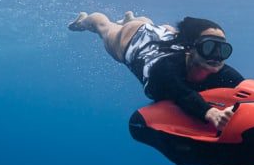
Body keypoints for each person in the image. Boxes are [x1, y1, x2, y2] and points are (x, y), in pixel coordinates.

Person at [68, 11, 244, 132]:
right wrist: (210, 112)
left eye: (222, 50)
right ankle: (84, 21)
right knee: (104, 27)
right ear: (190, 48)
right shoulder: (165, 69)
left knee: (154, 27)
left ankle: (133, 18)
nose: (216, 56)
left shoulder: (209, 62)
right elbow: (179, 92)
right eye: (209, 47)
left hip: (161, 36)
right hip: (132, 38)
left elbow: (241, 83)